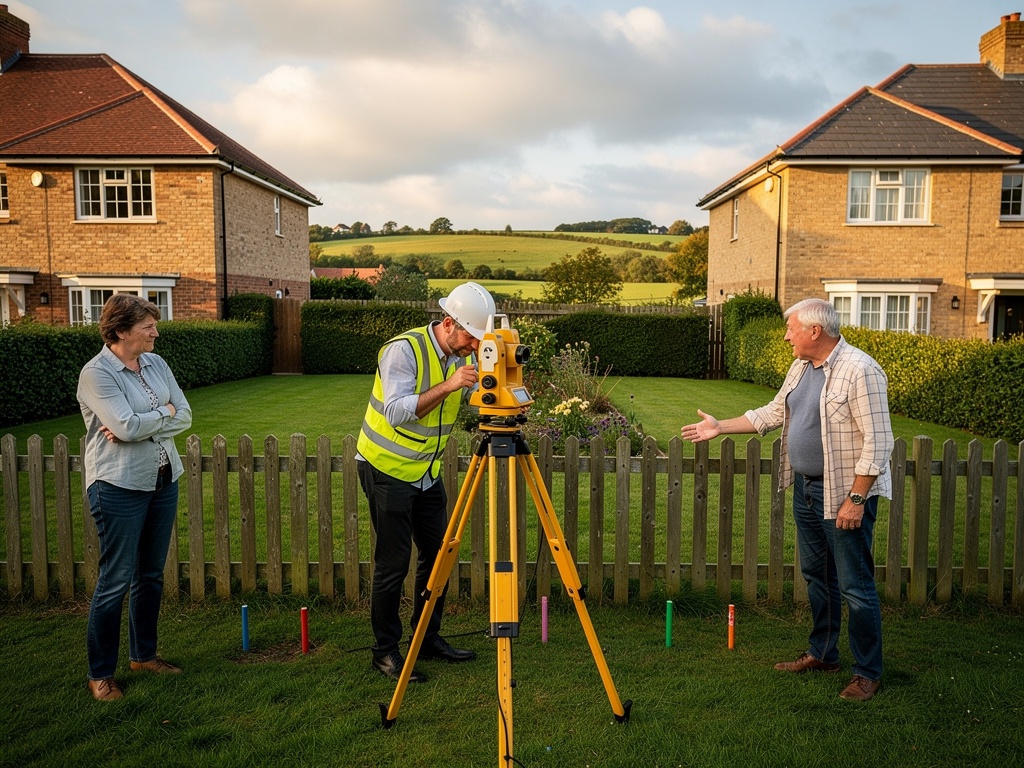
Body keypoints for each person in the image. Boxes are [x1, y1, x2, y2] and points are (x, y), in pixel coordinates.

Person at [681, 298, 893, 702]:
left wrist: (856, 498)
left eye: (791, 328)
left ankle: (868, 672)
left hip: (843, 494)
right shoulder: (802, 367)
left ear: (815, 330)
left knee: (855, 586)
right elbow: (774, 411)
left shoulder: (860, 370)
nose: (785, 336)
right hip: (807, 490)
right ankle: (823, 654)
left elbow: (879, 442)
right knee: (817, 576)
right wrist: (720, 427)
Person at [356, 282, 495, 682]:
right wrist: (451, 384)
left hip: (426, 474)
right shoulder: (404, 350)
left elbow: (472, 398)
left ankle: (427, 638)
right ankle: (385, 652)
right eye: (471, 337)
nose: (475, 347)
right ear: (449, 323)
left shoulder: (458, 354)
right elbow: (397, 412)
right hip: (387, 470)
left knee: (438, 558)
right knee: (393, 565)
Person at [77, 294, 192, 701]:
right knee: (116, 580)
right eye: (148, 327)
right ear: (122, 331)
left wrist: (150, 420)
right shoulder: (96, 374)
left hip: (163, 478)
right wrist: (162, 414)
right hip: (118, 485)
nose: (156, 333)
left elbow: (185, 413)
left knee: (150, 575)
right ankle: (100, 674)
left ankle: (144, 656)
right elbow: (124, 428)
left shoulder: (156, 363)